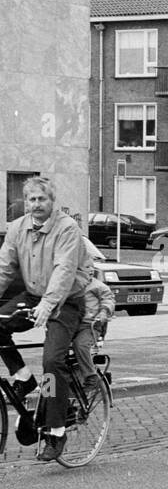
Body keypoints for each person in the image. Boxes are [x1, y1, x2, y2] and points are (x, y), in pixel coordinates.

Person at [0, 177, 90, 462]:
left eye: (41, 199)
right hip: (35, 294)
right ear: (25, 202)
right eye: (31, 200)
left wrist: (49, 304)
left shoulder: (67, 229)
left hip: (66, 301)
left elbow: (64, 270)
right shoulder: (17, 228)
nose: (36, 205)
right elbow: (4, 268)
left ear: (52, 201)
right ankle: (24, 379)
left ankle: (56, 430)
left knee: (52, 361)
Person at [74, 237, 114, 381]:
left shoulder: (98, 286)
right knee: (52, 355)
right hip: (70, 324)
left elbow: (108, 300)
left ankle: (90, 375)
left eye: (92, 268)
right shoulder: (69, 285)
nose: (90, 271)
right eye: (86, 268)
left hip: (89, 325)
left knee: (81, 345)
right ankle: (52, 392)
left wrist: (103, 313)